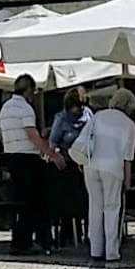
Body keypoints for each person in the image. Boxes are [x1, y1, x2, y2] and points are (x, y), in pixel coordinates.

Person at [0, 73, 55, 255]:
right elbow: (31, 134)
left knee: (20, 201)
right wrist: (50, 154)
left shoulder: (5, 107)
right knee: (32, 202)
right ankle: (29, 241)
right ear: (29, 89)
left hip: (11, 157)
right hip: (27, 159)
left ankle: (20, 240)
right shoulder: (25, 108)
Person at [85, 87, 135, 262]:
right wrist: (128, 181)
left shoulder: (98, 115)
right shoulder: (129, 124)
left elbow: (86, 139)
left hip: (91, 165)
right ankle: (112, 251)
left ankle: (95, 250)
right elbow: (127, 157)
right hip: (113, 167)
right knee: (112, 208)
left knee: (95, 207)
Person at [48, 88, 92, 245]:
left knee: (87, 200)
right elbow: (53, 143)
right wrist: (57, 155)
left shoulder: (88, 114)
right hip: (67, 166)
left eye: (80, 105)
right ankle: (67, 233)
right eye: (75, 106)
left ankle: (89, 233)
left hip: (86, 164)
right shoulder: (61, 119)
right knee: (68, 201)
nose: (78, 109)